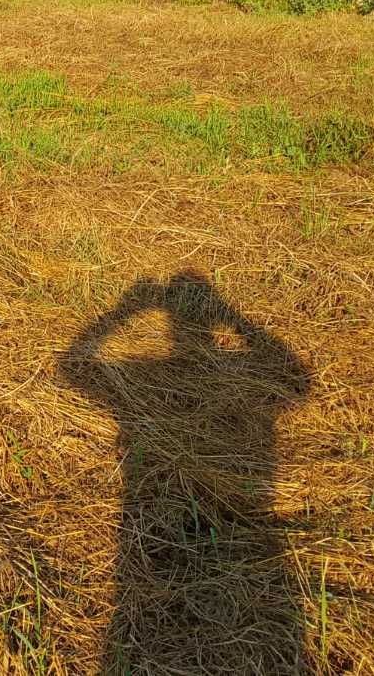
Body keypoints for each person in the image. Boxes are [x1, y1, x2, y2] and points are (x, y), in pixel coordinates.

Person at [59, 271, 312, 673]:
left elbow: (72, 367)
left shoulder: (145, 377)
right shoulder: (237, 377)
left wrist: (124, 312)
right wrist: (232, 315)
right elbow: (295, 378)